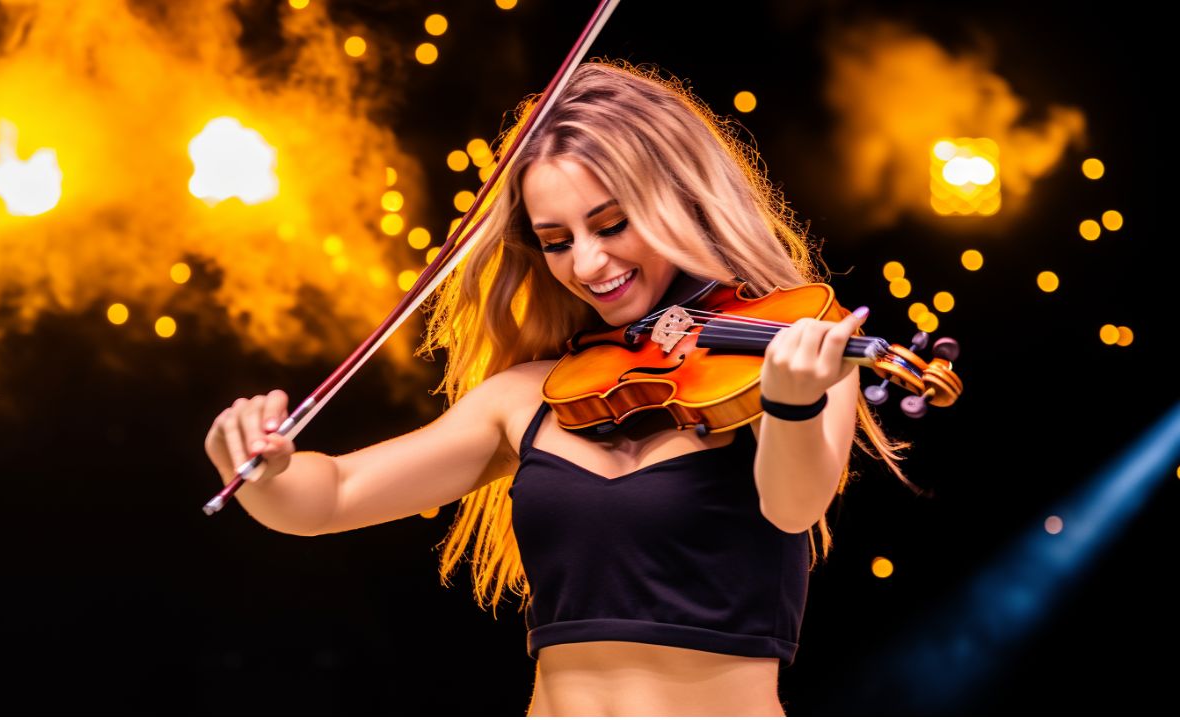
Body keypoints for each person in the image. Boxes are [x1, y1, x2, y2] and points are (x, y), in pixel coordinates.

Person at [204, 59, 915, 716]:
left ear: (679, 201)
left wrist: (792, 400)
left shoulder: (793, 349)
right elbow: (327, 498)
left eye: (611, 224)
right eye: (557, 239)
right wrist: (262, 469)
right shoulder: (528, 397)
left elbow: (794, 506)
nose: (589, 262)